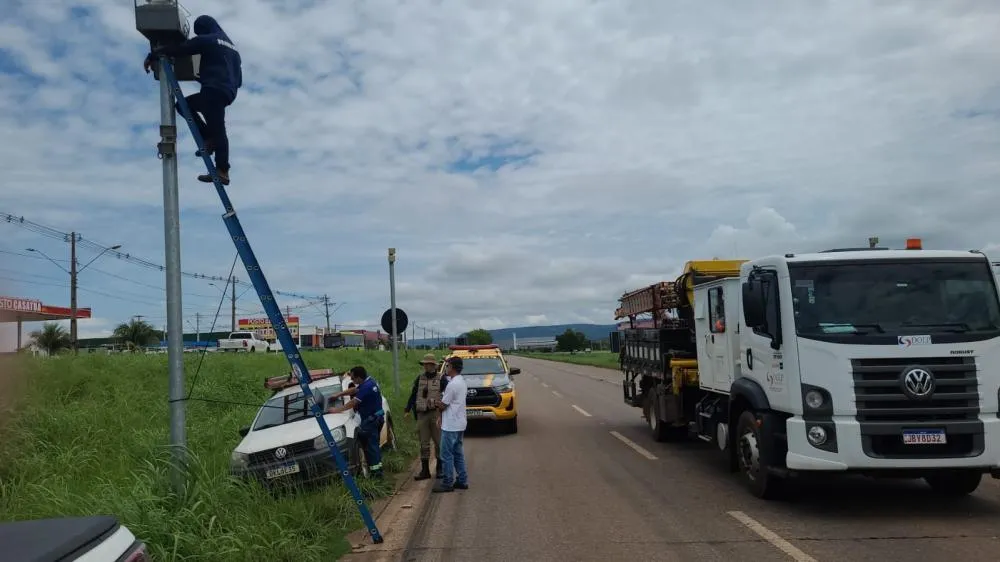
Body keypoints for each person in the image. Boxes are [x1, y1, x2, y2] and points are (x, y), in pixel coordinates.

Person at [143, 15, 242, 186]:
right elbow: (238, 79)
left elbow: (183, 48)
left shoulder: (209, 40)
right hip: (227, 92)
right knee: (184, 105)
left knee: (218, 129)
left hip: (213, 90)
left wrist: (154, 54)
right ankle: (209, 138)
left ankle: (222, 170)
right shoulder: (233, 49)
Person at [325, 366, 385, 478]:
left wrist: (337, 410)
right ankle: (377, 471)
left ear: (359, 378)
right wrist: (338, 394)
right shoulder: (369, 382)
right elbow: (355, 390)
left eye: (353, 379)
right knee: (373, 446)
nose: (352, 381)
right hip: (376, 418)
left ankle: (377, 474)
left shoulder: (367, 387)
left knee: (371, 448)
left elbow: (353, 402)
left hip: (371, 420)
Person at [404, 353, 449, 480]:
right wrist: (407, 409)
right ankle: (425, 471)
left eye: (428, 364)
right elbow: (413, 395)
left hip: (436, 413)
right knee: (424, 443)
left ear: (433, 365)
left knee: (439, 442)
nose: (425, 366)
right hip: (422, 414)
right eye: (424, 364)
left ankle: (440, 469)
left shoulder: (442, 379)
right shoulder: (420, 378)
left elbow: (448, 395)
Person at [432, 356, 468, 493]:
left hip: (451, 424)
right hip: (459, 422)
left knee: (446, 454)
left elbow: (443, 405)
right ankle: (462, 480)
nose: (446, 368)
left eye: (447, 366)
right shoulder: (461, 381)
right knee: (458, 453)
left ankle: (447, 482)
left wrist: (435, 402)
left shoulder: (452, 385)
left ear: (452, 367)